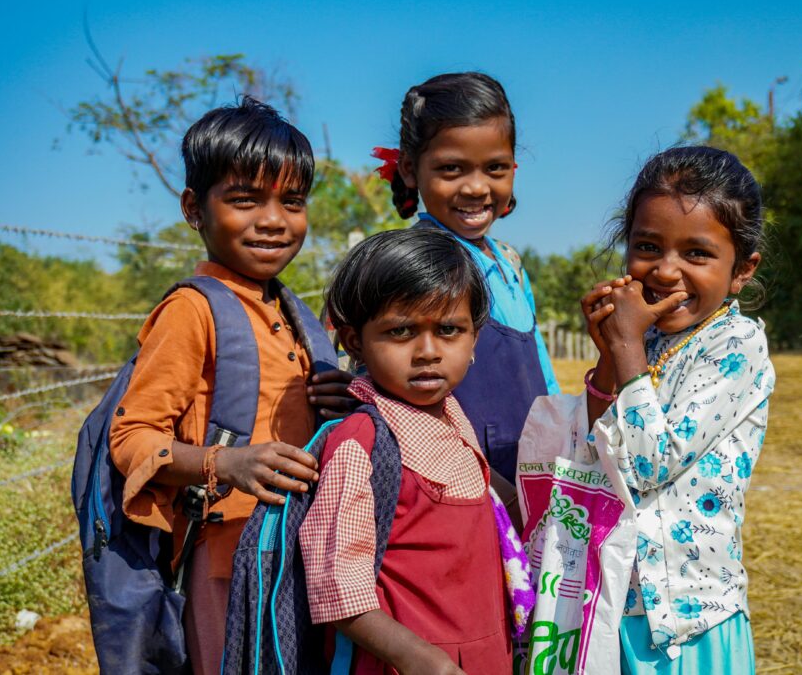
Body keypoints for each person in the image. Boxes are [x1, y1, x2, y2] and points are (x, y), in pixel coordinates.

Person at [108, 96, 354, 675]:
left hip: (298, 543)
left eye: (291, 202)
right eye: (245, 200)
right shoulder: (192, 312)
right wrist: (228, 464)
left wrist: (336, 401)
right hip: (225, 555)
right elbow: (133, 438)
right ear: (194, 208)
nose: (272, 220)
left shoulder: (295, 314)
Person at [536, 146, 776, 672]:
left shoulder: (736, 346)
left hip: (689, 619)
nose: (666, 271)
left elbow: (648, 464)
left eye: (697, 254)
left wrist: (624, 350)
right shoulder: (642, 342)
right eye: (648, 246)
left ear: (741, 270)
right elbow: (593, 453)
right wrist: (608, 356)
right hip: (613, 601)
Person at [300, 227, 520, 675]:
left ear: (474, 338)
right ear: (355, 341)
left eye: (448, 330)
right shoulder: (360, 442)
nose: (427, 352)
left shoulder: (452, 416)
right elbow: (336, 586)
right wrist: (418, 658)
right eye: (400, 331)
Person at [372, 71, 558, 485]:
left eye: (494, 168)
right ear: (408, 168)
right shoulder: (417, 264)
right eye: (452, 169)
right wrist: (490, 488)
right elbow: (401, 399)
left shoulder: (510, 262)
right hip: (461, 483)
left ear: (513, 167)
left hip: (529, 472)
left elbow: (544, 377)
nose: (476, 188)